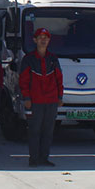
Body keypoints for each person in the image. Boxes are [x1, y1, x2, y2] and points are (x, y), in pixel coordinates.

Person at [18, 28, 63, 167]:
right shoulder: (28, 59)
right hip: (35, 101)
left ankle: (44, 158)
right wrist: (26, 98)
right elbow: (23, 80)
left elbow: (59, 78)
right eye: (40, 37)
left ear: (49, 41)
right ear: (35, 40)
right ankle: (33, 159)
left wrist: (60, 96)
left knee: (48, 131)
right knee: (34, 130)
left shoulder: (53, 59)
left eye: (46, 38)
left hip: (51, 101)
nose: (43, 40)